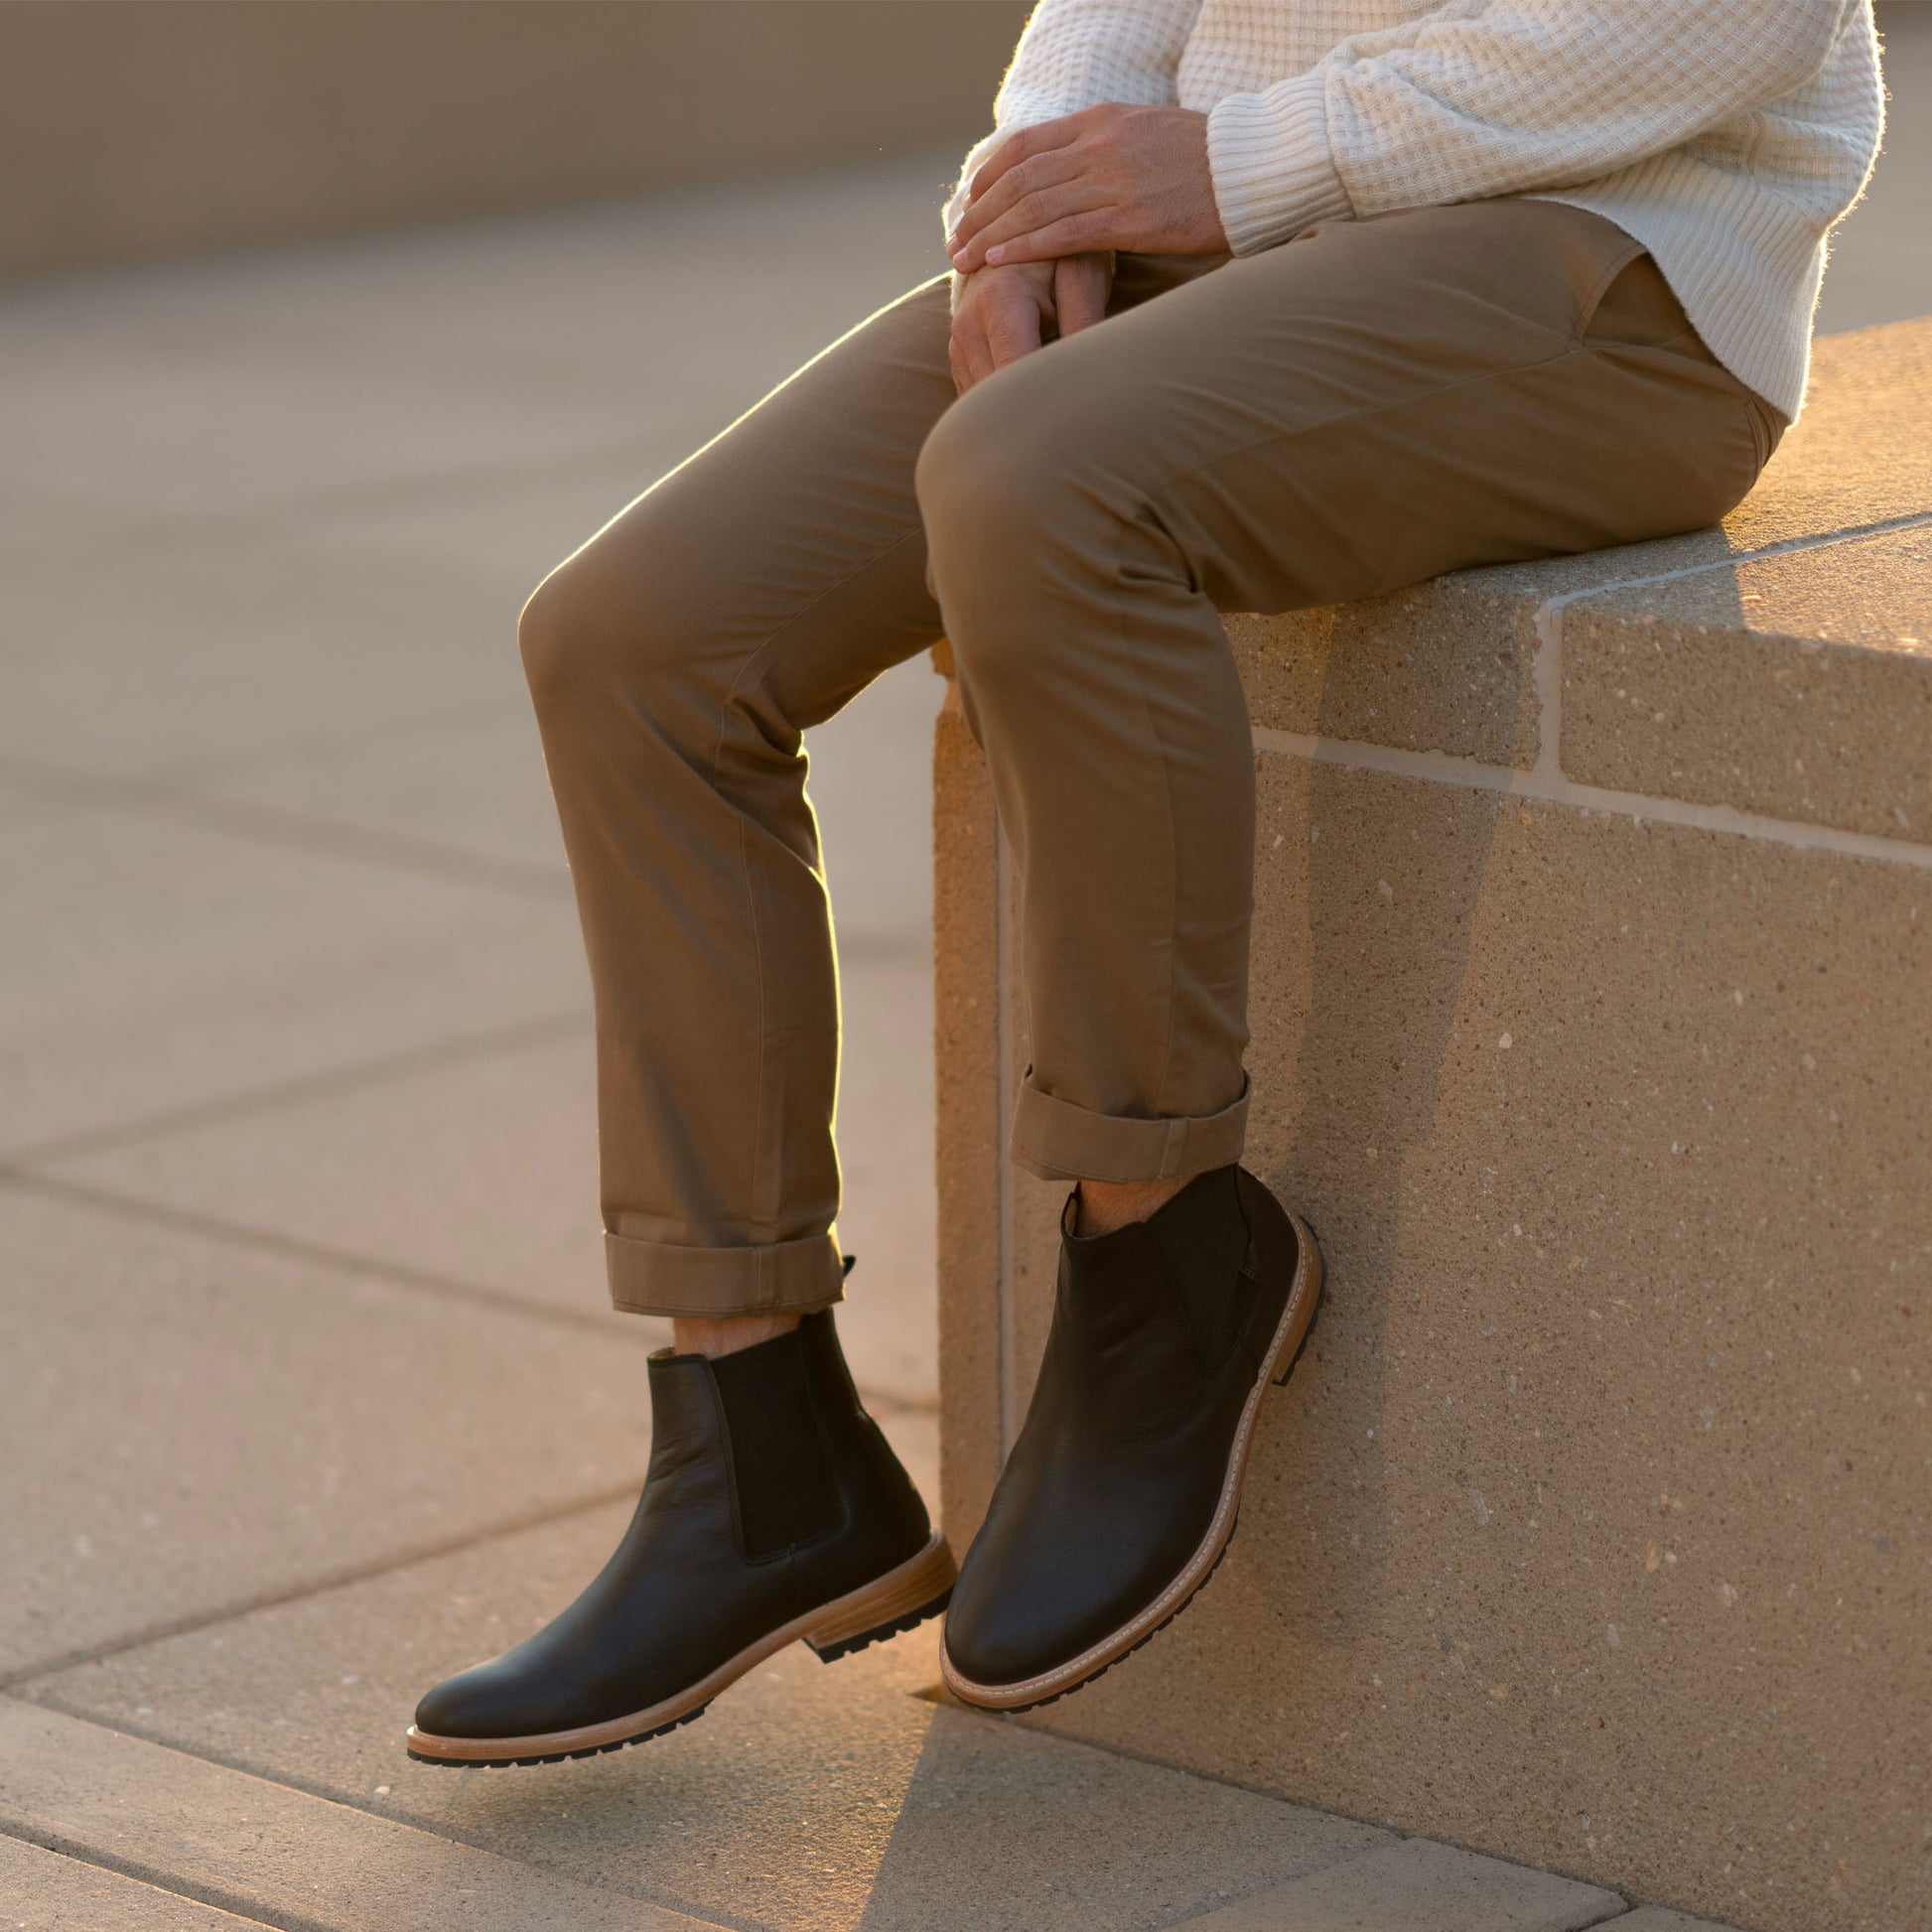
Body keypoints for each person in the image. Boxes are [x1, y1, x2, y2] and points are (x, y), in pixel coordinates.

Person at [406, 0, 1882, 1764]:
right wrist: (1034, 213)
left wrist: (1247, 159)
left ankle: (1163, 1249)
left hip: (1609, 273)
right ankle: (762, 1443)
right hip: (1217, 256)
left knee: (1038, 475)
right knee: (635, 636)